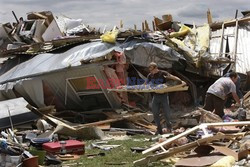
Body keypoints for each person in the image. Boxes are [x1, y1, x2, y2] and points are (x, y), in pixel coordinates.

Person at [146, 62, 182, 134]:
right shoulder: (150, 76)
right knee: (155, 112)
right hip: (155, 96)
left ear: (156, 68)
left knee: (167, 113)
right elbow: (145, 84)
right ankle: (159, 129)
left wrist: (179, 81)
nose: (151, 72)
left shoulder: (163, 73)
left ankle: (169, 128)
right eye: (150, 70)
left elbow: (172, 77)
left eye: (152, 70)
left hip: (164, 96)